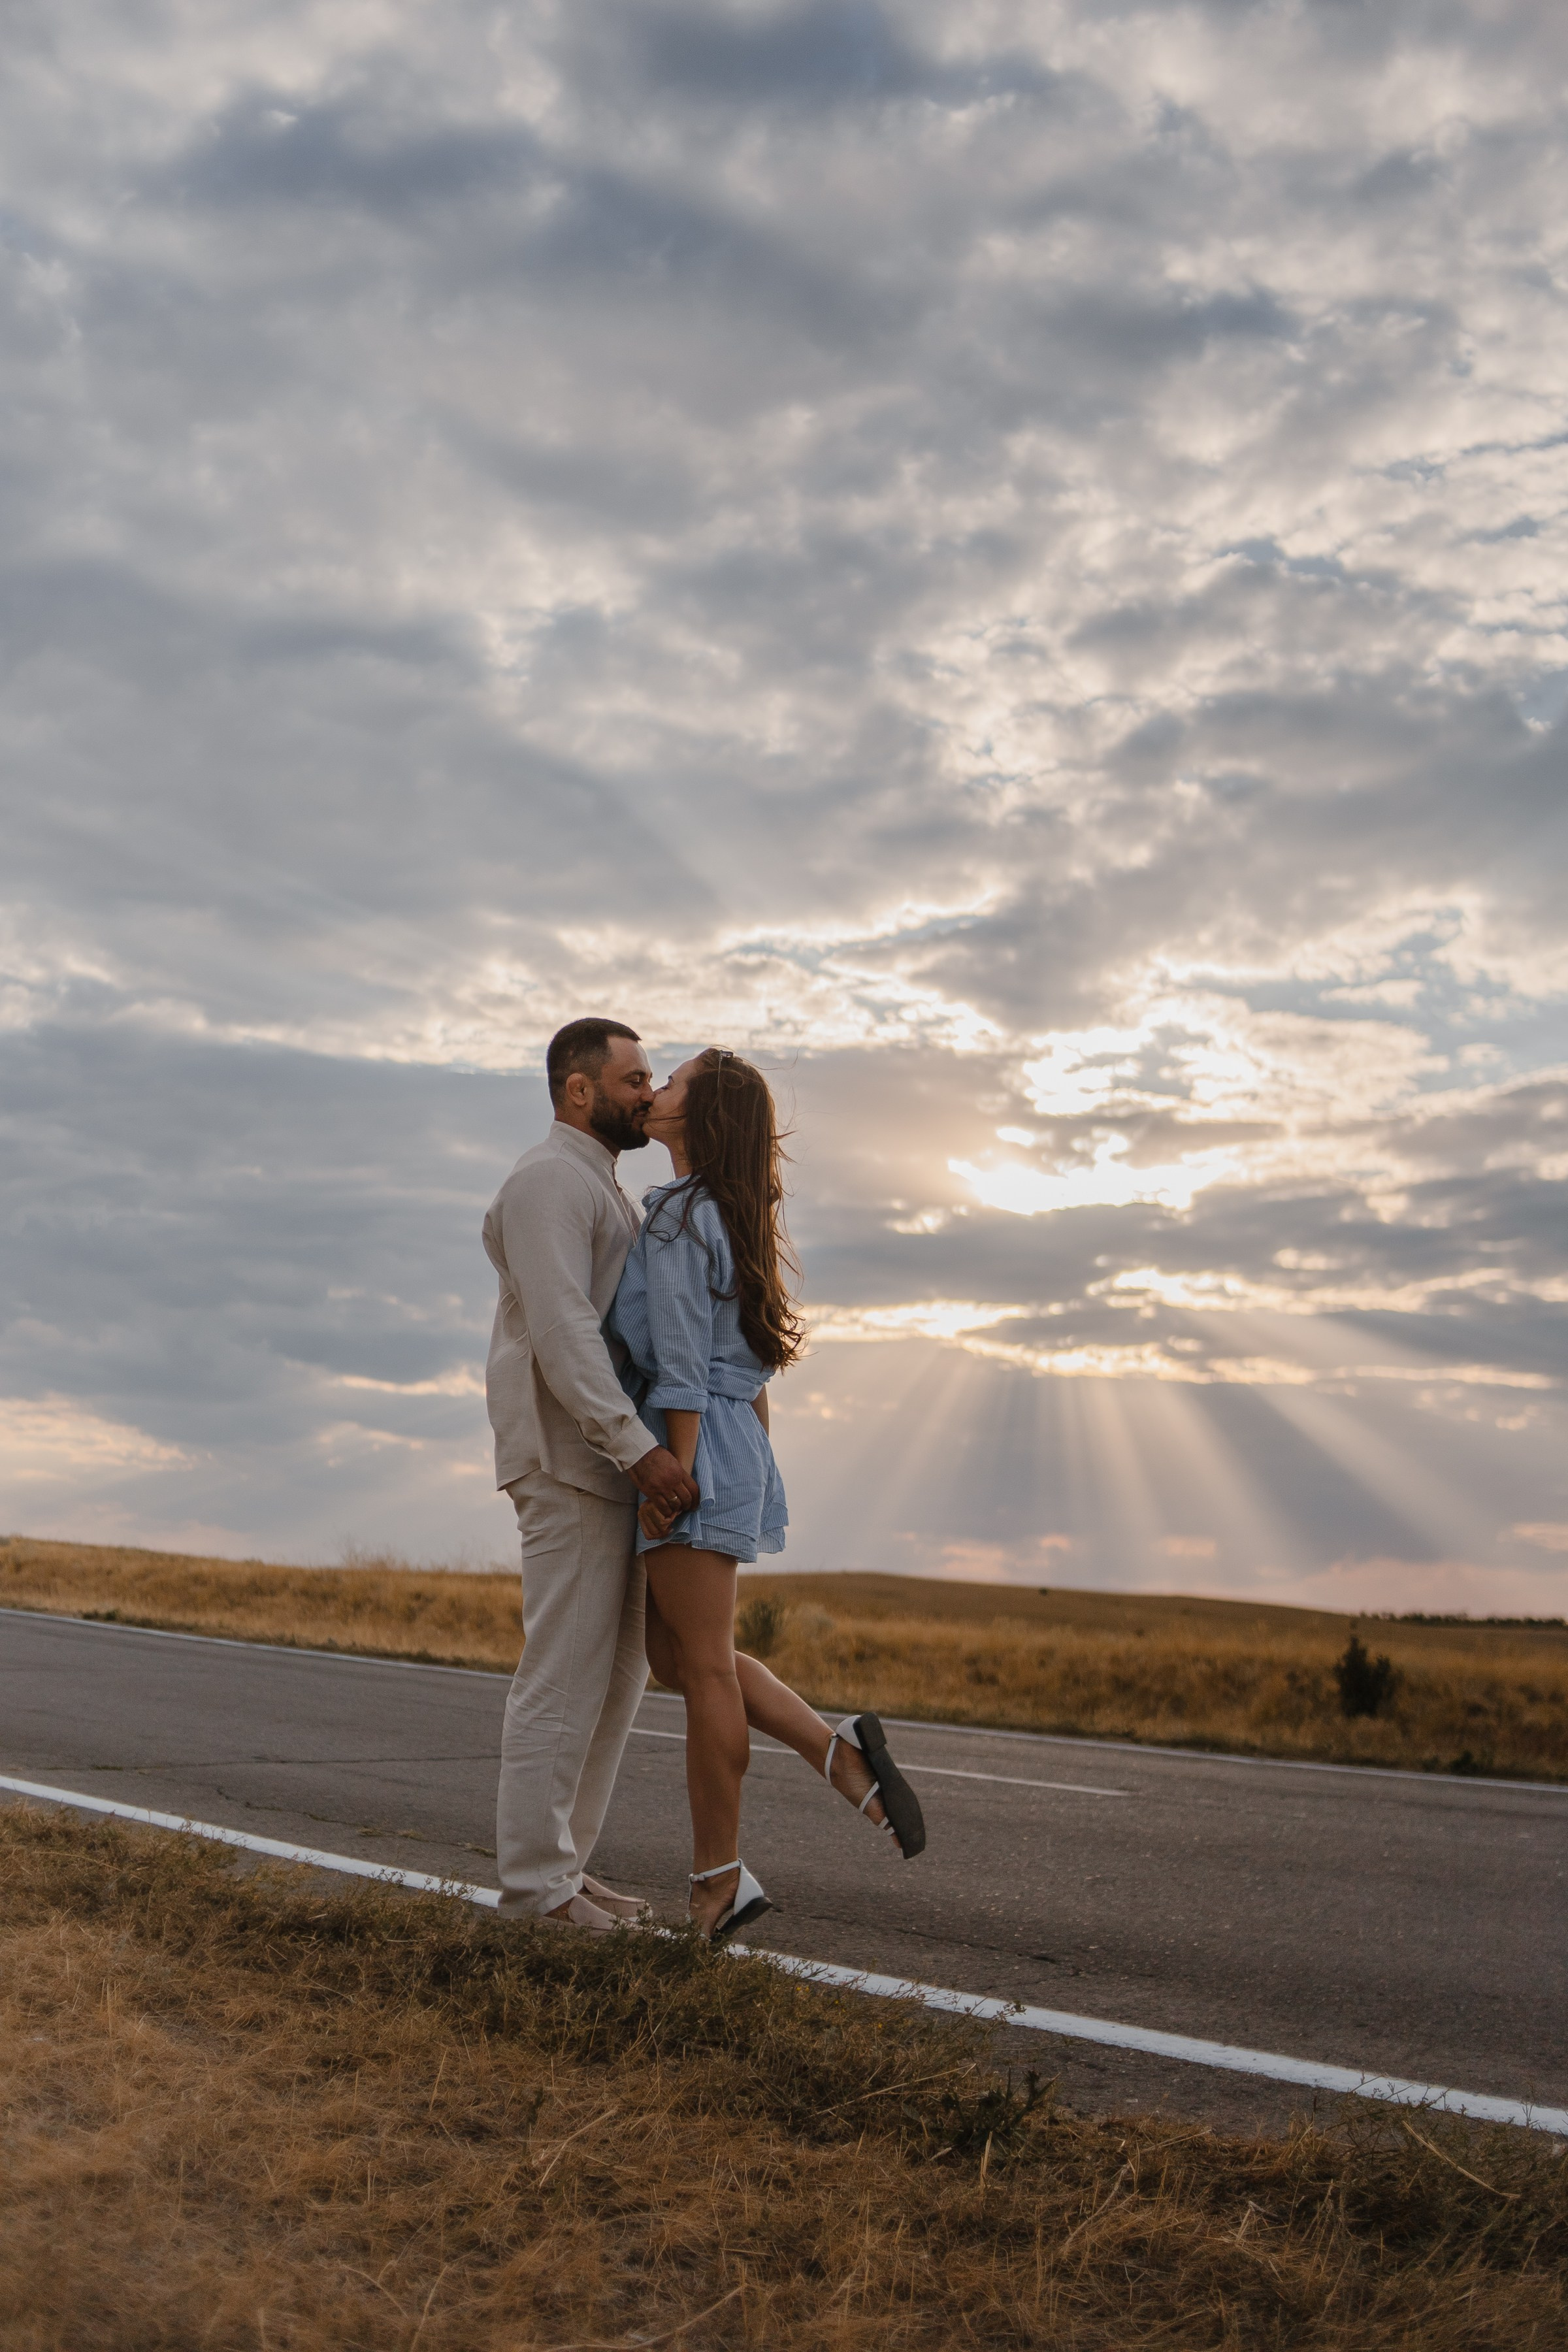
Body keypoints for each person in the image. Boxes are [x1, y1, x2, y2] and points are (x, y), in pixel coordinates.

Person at [610, 1047, 927, 1943]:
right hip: (733, 1440)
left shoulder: (679, 1216)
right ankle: (839, 1753)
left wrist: (675, 1474)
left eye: (671, 1083)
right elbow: (746, 1371)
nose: (655, 1091)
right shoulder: (730, 1213)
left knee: (704, 1668)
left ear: (700, 1116)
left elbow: (680, 1362)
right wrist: (742, 1464)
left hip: (694, 1445)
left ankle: (718, 1882)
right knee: (679, 1660)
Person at [482, 1017, 699, 1931]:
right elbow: (564, 1327)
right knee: (563, 1676)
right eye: (633, 1079)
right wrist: (638, 1447)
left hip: (611, 1466)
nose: (647, 1093)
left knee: (615, 1682)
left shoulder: (602, 1187)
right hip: (570, 1458)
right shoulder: (547, 1182)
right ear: (579, 1090)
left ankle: (564, 1870)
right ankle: (535, 1893)